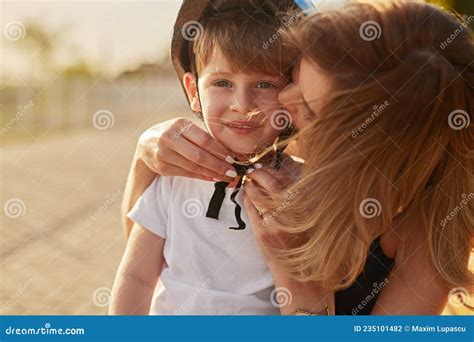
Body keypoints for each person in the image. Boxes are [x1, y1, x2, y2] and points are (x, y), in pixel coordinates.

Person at [122, 0, 473, 315]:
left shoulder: (428, 232)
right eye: (292, 77)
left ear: (357, 143)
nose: (276, 104)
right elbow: (153, 258)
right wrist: (144, 155)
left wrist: (295, 277)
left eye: (304, 103)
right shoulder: (260, 167)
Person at [109, 0, 309, 315]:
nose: (243, 104)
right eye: (222, 83)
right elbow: (135, 276)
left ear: (294, 93)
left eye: (264, 84)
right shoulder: (173, 179)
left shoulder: (305, 184)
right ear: (193, 91)